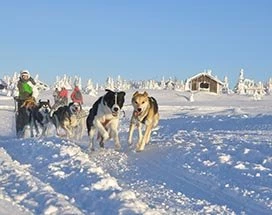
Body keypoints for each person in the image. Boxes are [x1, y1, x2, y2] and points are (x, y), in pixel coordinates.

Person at [15, 69, 38, 137]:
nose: (25, 77)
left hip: (30, 101)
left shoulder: (31, 82)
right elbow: (16, 90)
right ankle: (20, 129)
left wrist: (33, 97)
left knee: (28, 114)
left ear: (28, 76)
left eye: (26, 76)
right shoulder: (19, 83)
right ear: (21, 76)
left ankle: (28, 127)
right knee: (20, 115)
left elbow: (36, 91)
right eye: (23, 76)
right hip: (21, 101)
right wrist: (15, 96)